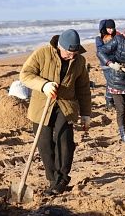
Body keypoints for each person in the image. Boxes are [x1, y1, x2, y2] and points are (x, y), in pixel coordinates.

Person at [20, 29, 91, 195]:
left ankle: (61, 180)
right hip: (42, 106)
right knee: (44, 144)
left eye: (75, 52)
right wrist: (44, 85)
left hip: (66, 106)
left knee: (64, 142)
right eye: (69, 52)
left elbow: (83, 89)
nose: (72, 56)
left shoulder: (79, 61)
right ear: (60, 46)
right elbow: (25, 75)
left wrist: (86, 114)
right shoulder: (42, 53)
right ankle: (52, 179)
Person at [95, 19, 120, 109]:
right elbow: (100, 51)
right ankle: (109, 101)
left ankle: (114, 100)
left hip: (116, 63)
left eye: (112, 28)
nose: (111, 30)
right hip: (105, 64)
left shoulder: (116, 35)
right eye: (109, 28)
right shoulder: (99, 38)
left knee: (116, 81)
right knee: (110, 82)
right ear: (104, 28)